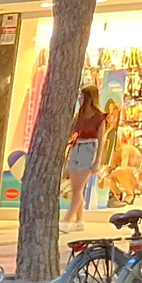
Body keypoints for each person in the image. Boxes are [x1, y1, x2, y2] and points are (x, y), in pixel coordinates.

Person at [63, 85, 106, 226]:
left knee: (78, 188)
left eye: (83, 96)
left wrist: (97, 160)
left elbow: (101, 140)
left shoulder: (99, 117)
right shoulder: (79, 114)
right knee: (75, 187)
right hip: (76, 147)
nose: (80, 99)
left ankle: (67, 220)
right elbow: (72, 131)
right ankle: (79, 220)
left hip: (89, 148)